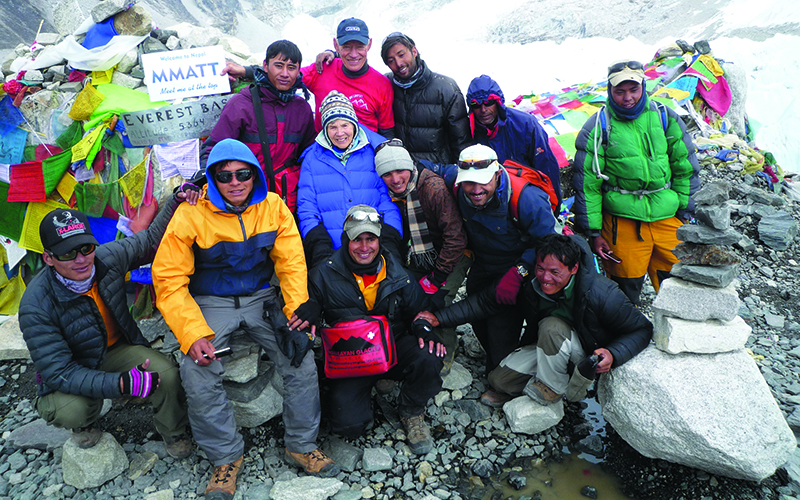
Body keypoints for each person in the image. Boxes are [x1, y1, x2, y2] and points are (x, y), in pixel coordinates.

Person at [152, 139, 339, 500]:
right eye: (224, 176)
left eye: (243, 174)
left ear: (254, 175)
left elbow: (291, 262)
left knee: (300, 354)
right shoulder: (192, 212)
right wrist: (192, 334)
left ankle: (301, 444)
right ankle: (226, 458)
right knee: (197, 369)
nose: (235, 182)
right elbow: (169, 278)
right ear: (213, 178)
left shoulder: (273, 206)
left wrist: (296, 309)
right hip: (211, 301)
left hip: (261, 297)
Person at [18, 188, 198, 455]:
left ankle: (173, 431)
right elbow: (60, 372)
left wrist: (176, 200)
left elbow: (149, 241)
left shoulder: (106, 259)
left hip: (116, 350)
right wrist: (121, 384)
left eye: (86, 248)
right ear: (48, 258)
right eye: (68, 254)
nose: (81, 259)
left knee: (167, 374)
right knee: (73, 411)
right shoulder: (35, 305)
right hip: (73, 364)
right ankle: (85, 424)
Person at [418, 233, 653, 408]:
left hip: (586, 352)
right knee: (499, 381)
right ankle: (554, 381)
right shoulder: (529, 281)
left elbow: (642, 329)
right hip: (551, 348)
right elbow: (485, 302)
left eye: (554, 272)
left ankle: (554, 389)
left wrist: (613, 353)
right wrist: (439, 318)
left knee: (551, 326)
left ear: (573, 268)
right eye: (540, 268)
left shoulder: (603, 293)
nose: (545, 278)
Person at [289, 204, 444, 454]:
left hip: (393, 348)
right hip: (351, 359)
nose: (364, 247)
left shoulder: (398, 273)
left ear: (379, 239)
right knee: (349, 427)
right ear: (345, 240)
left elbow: (418, 310)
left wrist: (423, 328)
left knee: (431, 354)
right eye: (356, 239)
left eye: (370, 239)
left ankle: (411, 411)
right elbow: (310, 306)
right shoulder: (322, 273)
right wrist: (312, 310)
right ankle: (367, 391)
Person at [421, 144, 558, 373]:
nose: (475, 190)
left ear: (497, 174)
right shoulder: (453, 178)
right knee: (478, 315)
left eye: (483, 182)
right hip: (483, 261)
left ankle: (504, 371)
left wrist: (521, 272)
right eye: (469, 183)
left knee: (501, 325)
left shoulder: (527, 198)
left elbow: (548, 243)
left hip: (516, 266)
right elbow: (426, 168)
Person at [572, 60, 699, 305]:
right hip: (622, 225)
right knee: (623, 295)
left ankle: (679, 340)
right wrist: (594, 233)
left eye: (633, 89)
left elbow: (685, 166)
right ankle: (625, 340)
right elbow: (587, 184)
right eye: (619, 91)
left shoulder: (664, 117)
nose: (627, 97)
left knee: (680, 289)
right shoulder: (597, 126)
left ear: (643, 87)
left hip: (668, 220)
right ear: (610, 91)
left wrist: (684, 211)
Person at [374, 140, 470, 374]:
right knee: (411, 292)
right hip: (422, 251)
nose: (395, 179)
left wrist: (436, 278)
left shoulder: (433, 188)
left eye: (400, 171)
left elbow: (456, 237)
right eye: (387, 174)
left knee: (440, 298)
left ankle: (446, 347)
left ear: (411, 166)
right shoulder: (393, 193)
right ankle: (417, 341)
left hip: (455, 252)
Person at [223, 18, 394, 137]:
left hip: (365, 154)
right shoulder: (322, 69)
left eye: (360, 47)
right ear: (336, 45)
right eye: (346, 46)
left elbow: (386, 131)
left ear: (369, 44)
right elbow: (284, 75)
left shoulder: (382, 84)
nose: (354, 54)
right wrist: (246, 71)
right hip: (325, 153)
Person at [199, 40, 315, 212]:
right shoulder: (242, 104)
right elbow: (213, 149)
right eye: (278, 66)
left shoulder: (302, 108)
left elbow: (309, 155)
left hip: (289, 204)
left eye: (291, 68)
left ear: (299, 71)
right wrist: (204, 185)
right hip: (247, 203)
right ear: (265, 66)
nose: (285, 73)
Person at [297, 90, 402, 268]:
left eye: (345, 125)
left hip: (371, 245)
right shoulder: (312, 158)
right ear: (325, 129)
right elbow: (307, 206)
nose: (339, 133)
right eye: (332, 127)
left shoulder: (372, 153)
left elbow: (387, 199)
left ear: (354, 125)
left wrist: (391, 235)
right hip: (332, 249)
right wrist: (317, 242)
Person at [466, 75, 562, 207]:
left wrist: (553, 207)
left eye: (489, 102)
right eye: (476, 105)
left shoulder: (525, 124)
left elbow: (547, 168)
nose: (483, 110)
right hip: (489, 203)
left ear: (498, 102)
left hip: (527, 199)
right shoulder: (467, 132)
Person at [379, 32, 471, 164]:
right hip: (400, 172)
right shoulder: (386, 84)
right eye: (391, 60)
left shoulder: (446, 88)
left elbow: (461, 142)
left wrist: (458, 178)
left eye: (401, 55)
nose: (398, 63)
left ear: (414, 51)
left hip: (437, 171)